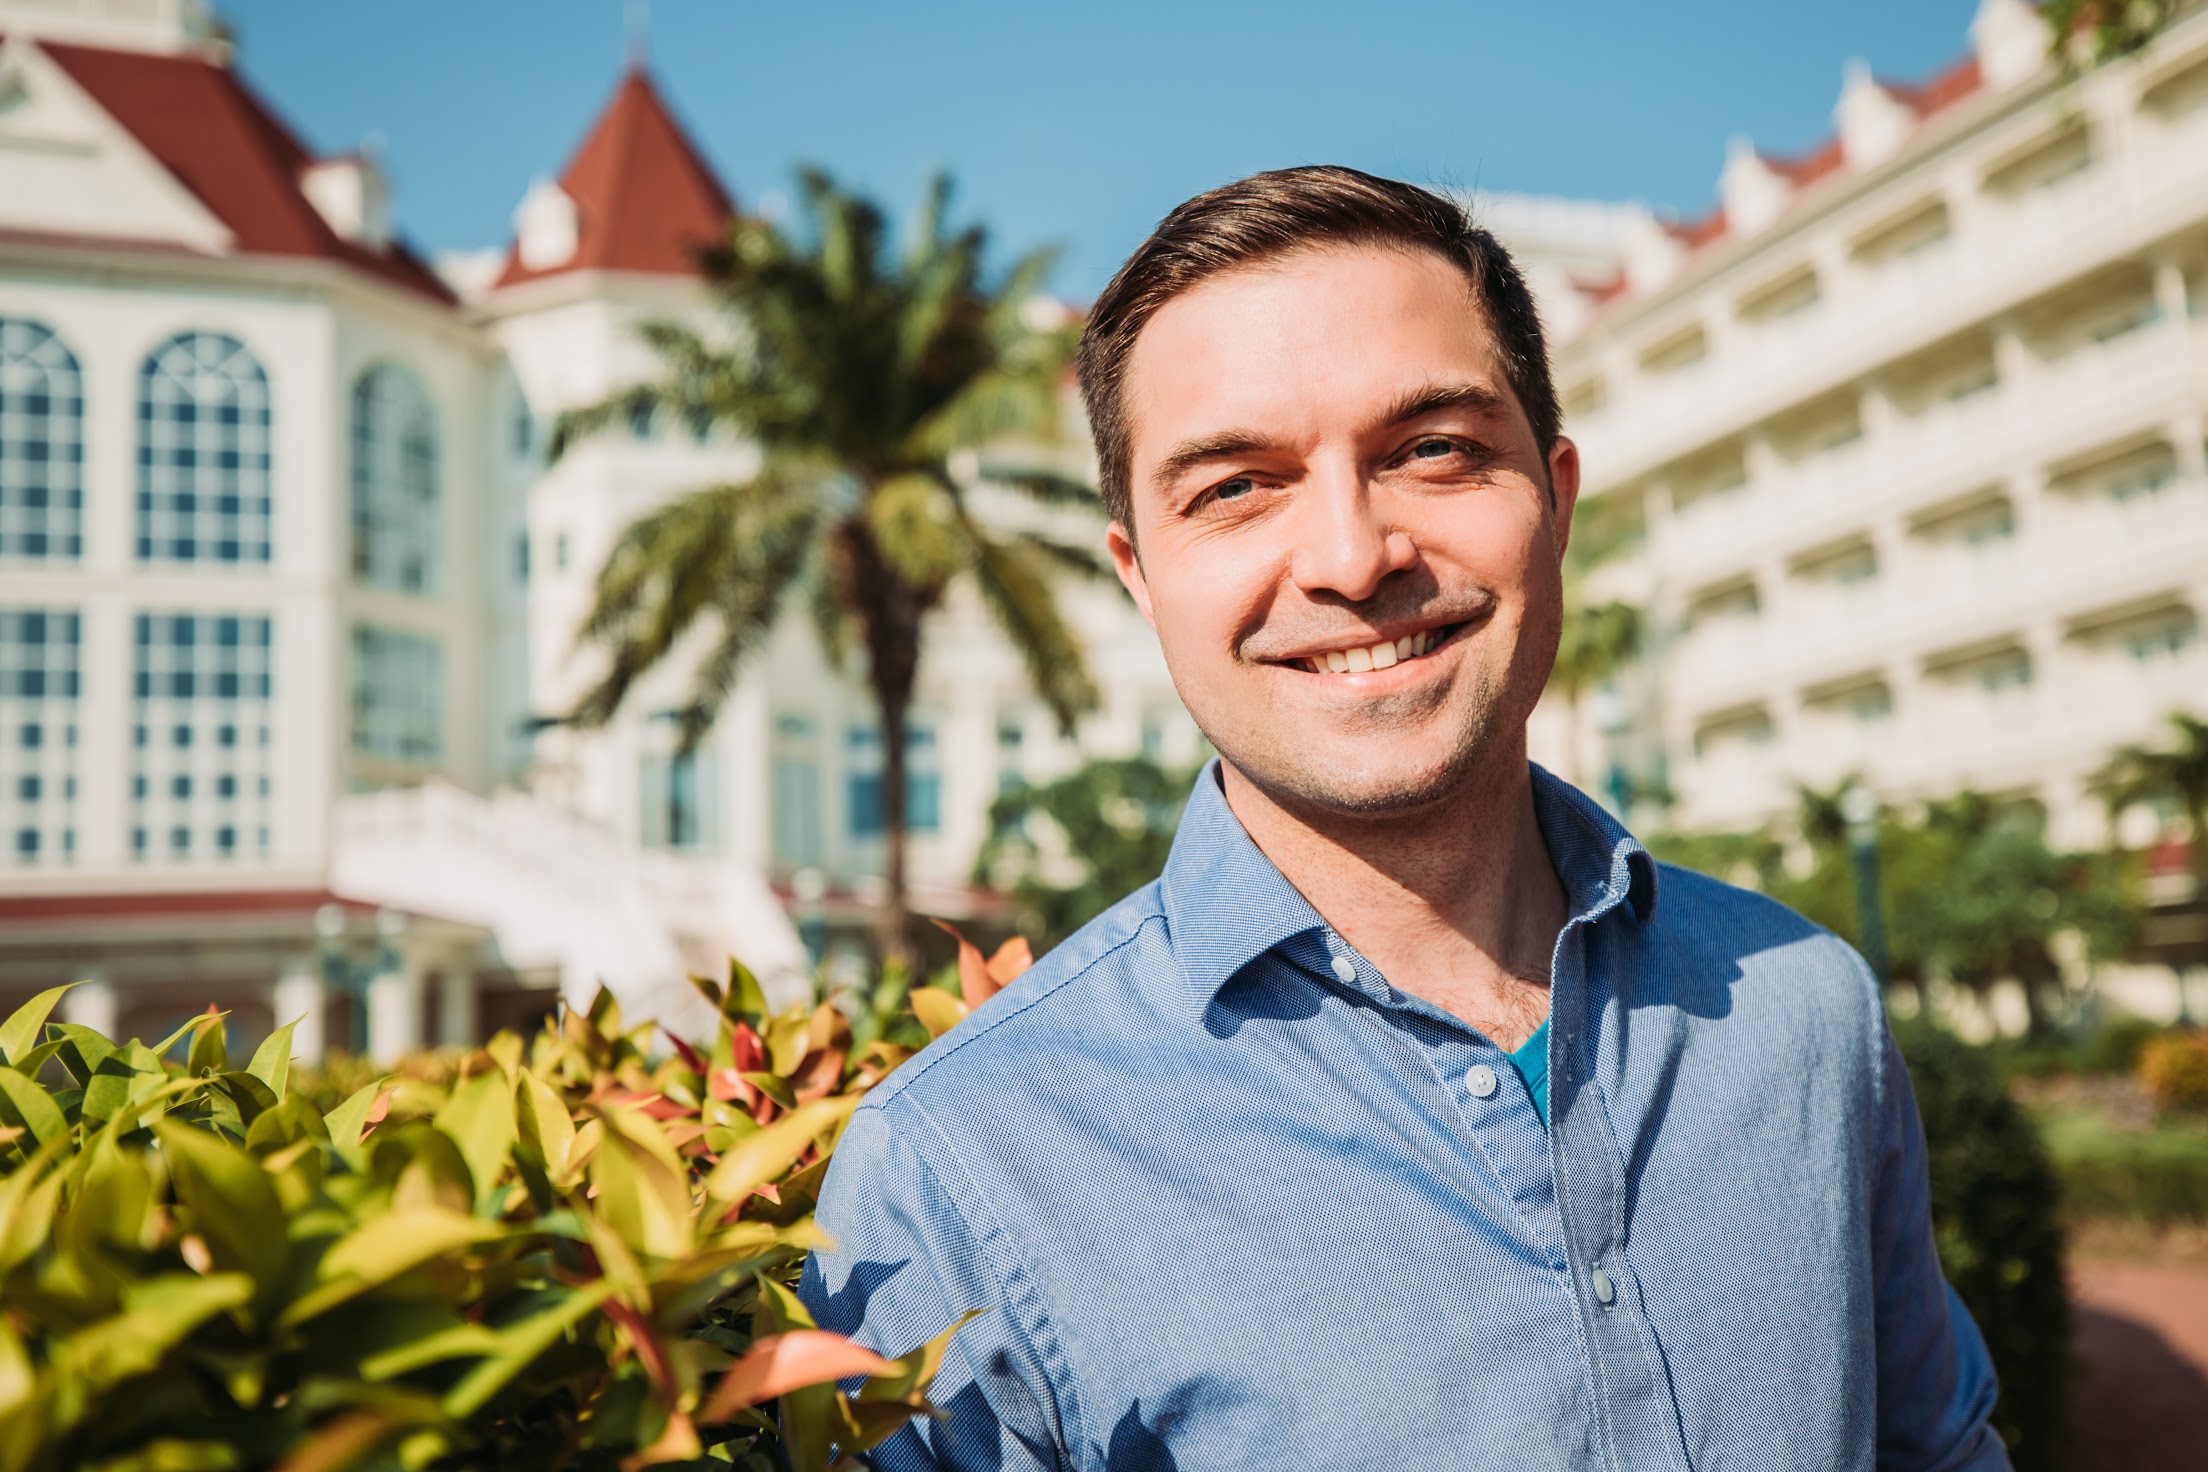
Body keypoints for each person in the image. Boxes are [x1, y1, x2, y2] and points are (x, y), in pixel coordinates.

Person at [801, 166, 2008, 1471]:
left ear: (1552, 494)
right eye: (1236, 487)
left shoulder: (1803, 1013)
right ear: (1140, 575)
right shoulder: (961, 1168)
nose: (1353, 555)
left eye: (1431, 450)